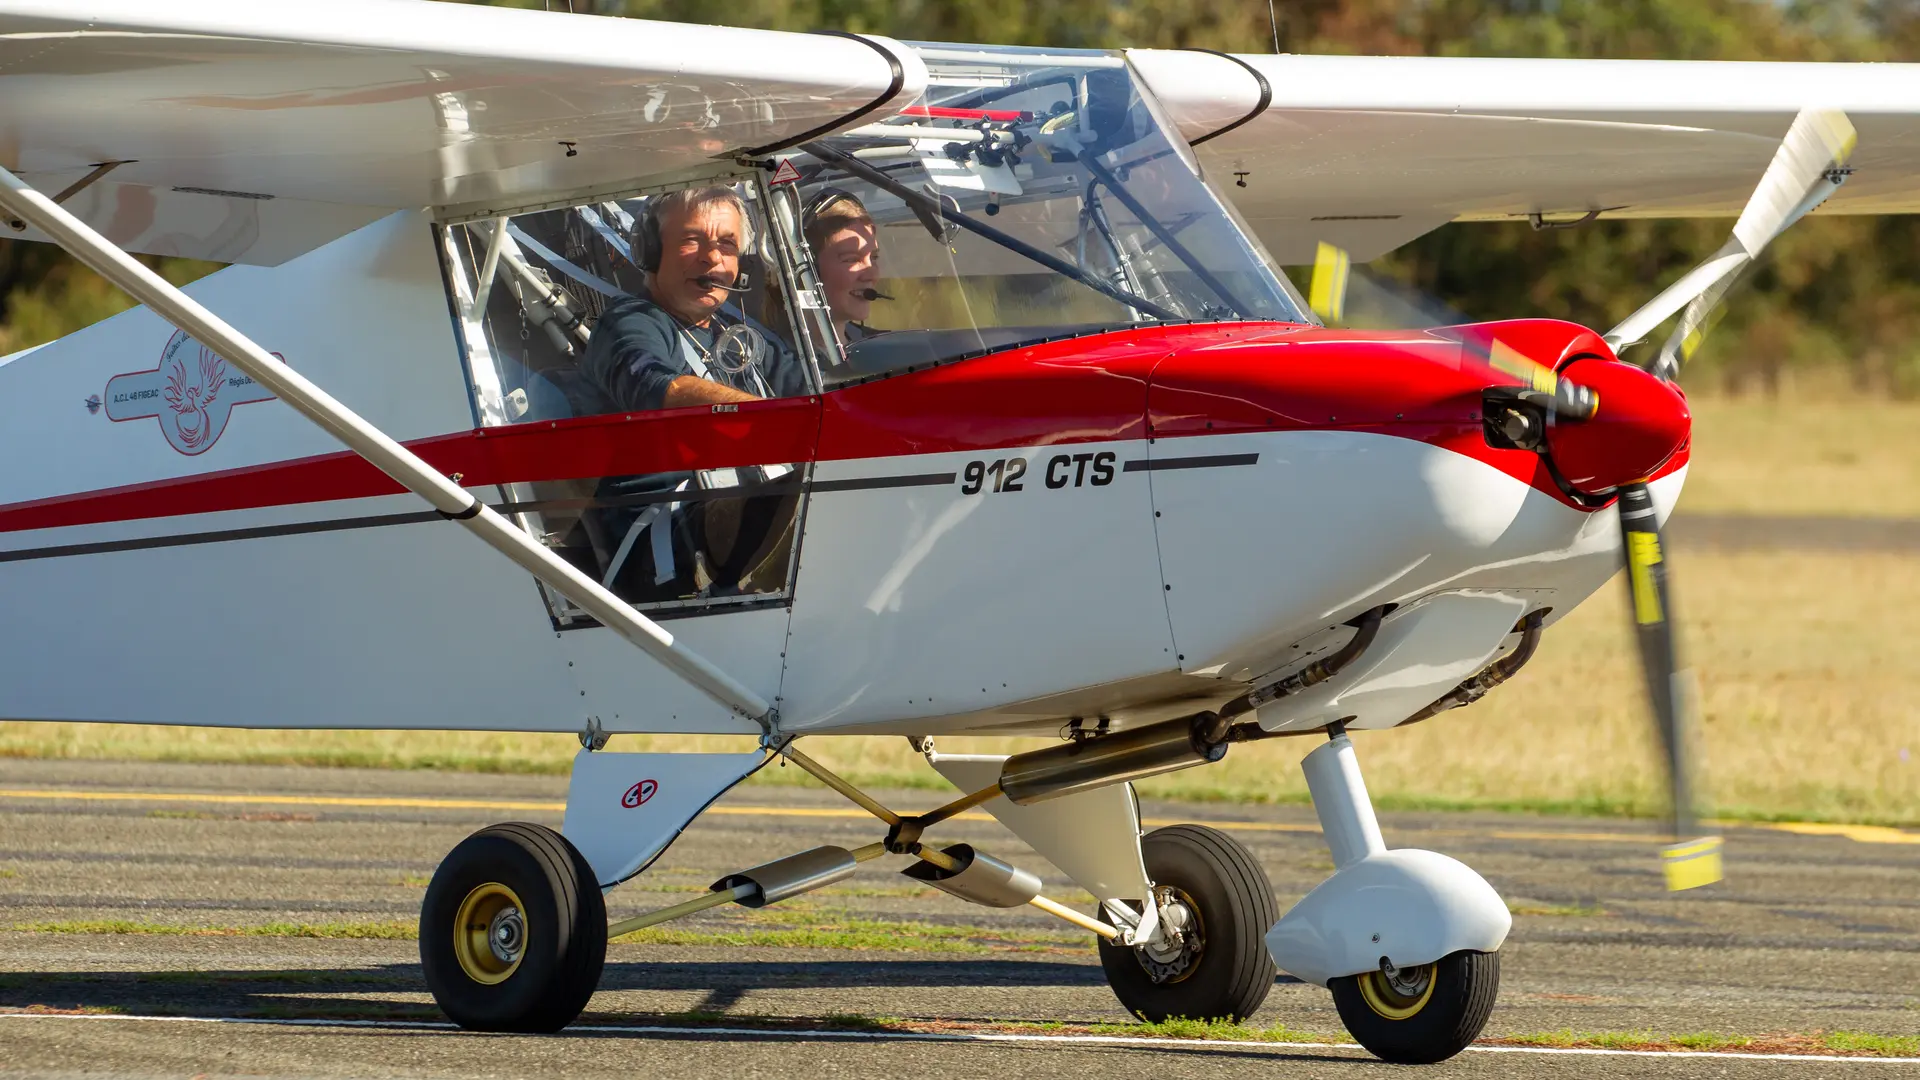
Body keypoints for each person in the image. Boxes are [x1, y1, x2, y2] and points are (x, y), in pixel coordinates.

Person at [580, 186, 807, 411]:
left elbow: (808, 386)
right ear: (650, 252)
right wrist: (768, 416)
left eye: (727, 243)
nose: (712, 256)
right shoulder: (629, 322)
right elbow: (653, 385)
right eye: (691, 239)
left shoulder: (735, 333)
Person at [802, 188, 885, 344]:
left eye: (874, 257)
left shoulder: (882, 350)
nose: (872, 275)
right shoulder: (772, 363)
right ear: (810, 268)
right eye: (852, 259)